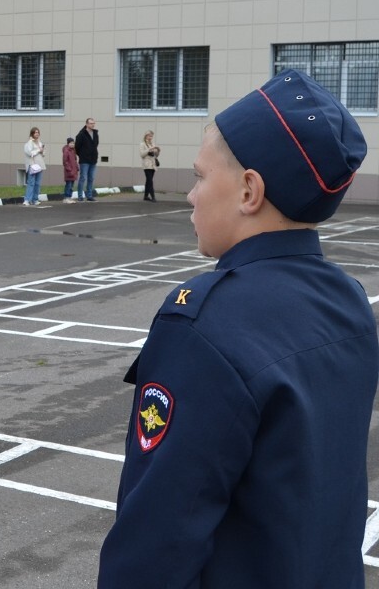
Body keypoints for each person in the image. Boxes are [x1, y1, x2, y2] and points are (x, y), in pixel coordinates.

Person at [98, 70, 376, 588]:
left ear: (249, 189)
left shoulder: (205, 325)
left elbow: (157, 540)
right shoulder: (350, 302)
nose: (192, 196)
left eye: (201, 177)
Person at [75, 117, 99, 201]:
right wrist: (82, 155)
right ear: (87, 124)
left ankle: (89, 195)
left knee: (91, 178)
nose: (93, 125)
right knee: (83, 178)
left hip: (93, 159)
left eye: (93, 123)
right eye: (91, 123)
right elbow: (77, 147)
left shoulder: (95, 133)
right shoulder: (81, 134)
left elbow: (96, 145)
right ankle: (80, 196)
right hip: (84, 160)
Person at [22, 127, 47, 207]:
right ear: (32, 133)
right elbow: (29, 153)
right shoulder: (29, 143)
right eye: (35, 132)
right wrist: (38, 150)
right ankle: (27, 199)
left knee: (37, 183)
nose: (37, 134)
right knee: (31, 182)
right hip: (32, 165)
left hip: (40, 165)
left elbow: (43, 153)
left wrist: (42, 151)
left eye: (38, 132)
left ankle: (35, 199)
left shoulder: (39, 142)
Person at [140, 130, 160, 202]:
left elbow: (156, 155)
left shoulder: (153, 144)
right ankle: (153, 196)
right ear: (146, 136)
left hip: (153, 165)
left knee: (148, 181)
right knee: (150, 180)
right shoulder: (142, 144)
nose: (150, 137)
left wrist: (158, 151)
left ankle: (145, 196)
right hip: (146, 165)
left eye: (151, 136)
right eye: (149, 136)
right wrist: (149, 149)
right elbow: (142, 155)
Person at [61, 137, 78, 203]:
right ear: (68, 143)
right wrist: (69, 169)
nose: (72, 144)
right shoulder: (66, 151)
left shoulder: (73, 151)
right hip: (69, 171)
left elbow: (75, 160)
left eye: (73, 143)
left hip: (74, 171)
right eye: (71, 143)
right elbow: (65, 162)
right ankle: (66, 197)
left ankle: (69, 197)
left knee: (71, 186)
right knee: (68, 185)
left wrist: (77, 167)